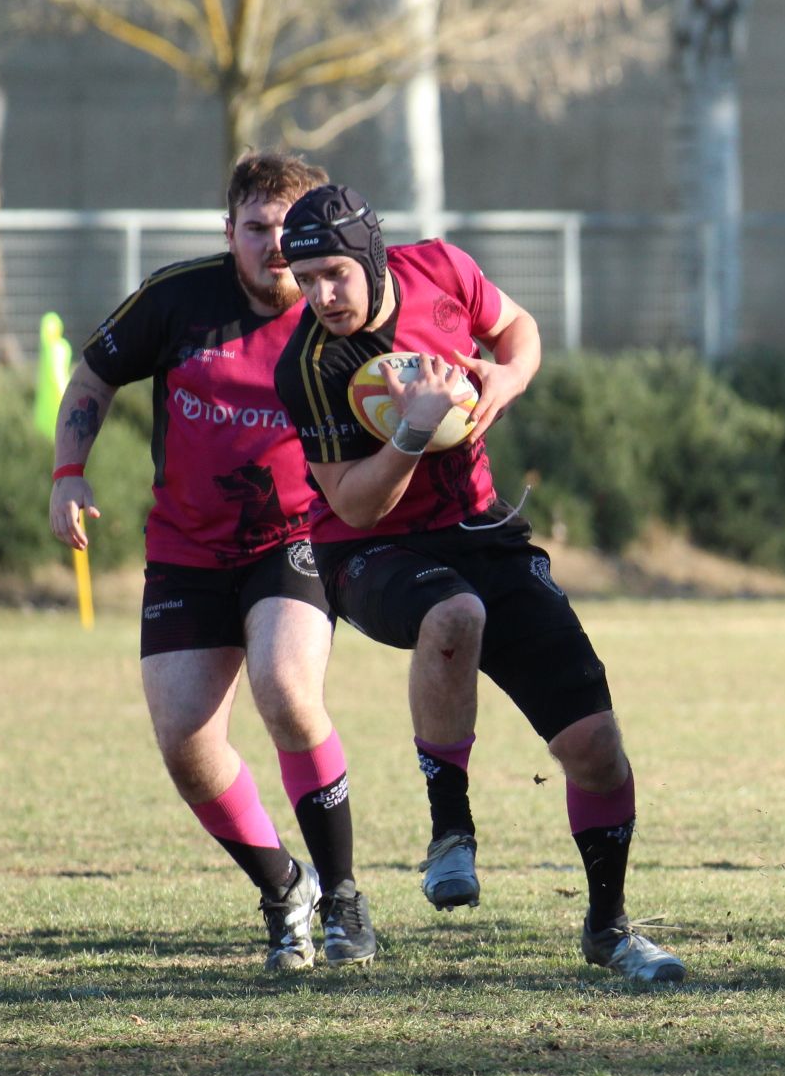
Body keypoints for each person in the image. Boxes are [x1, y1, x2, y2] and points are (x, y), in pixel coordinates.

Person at [271, 185, 683, 982]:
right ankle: (450, 829)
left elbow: (519, 329)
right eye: (306, 278)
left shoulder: (444, 269)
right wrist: (414, 428)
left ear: (371, 257)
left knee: (596, 747)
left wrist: (507, 379)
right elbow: (355, 503)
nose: (320, 296)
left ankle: (609, 929)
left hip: (483, 529)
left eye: (334, 275)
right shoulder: (311, 365)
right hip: (372, 552)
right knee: (453, 613)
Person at [48, 151, 376, 973]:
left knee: (286, 688)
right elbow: (94, 371)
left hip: (294, 539)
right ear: (227, 230)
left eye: (289, 230)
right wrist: (68, 472)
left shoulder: (341, 311)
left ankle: (341, 898)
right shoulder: (177, 298)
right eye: (256, 228)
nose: (275, 246)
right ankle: (284, 887)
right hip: (187, 551)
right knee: (186, 745)